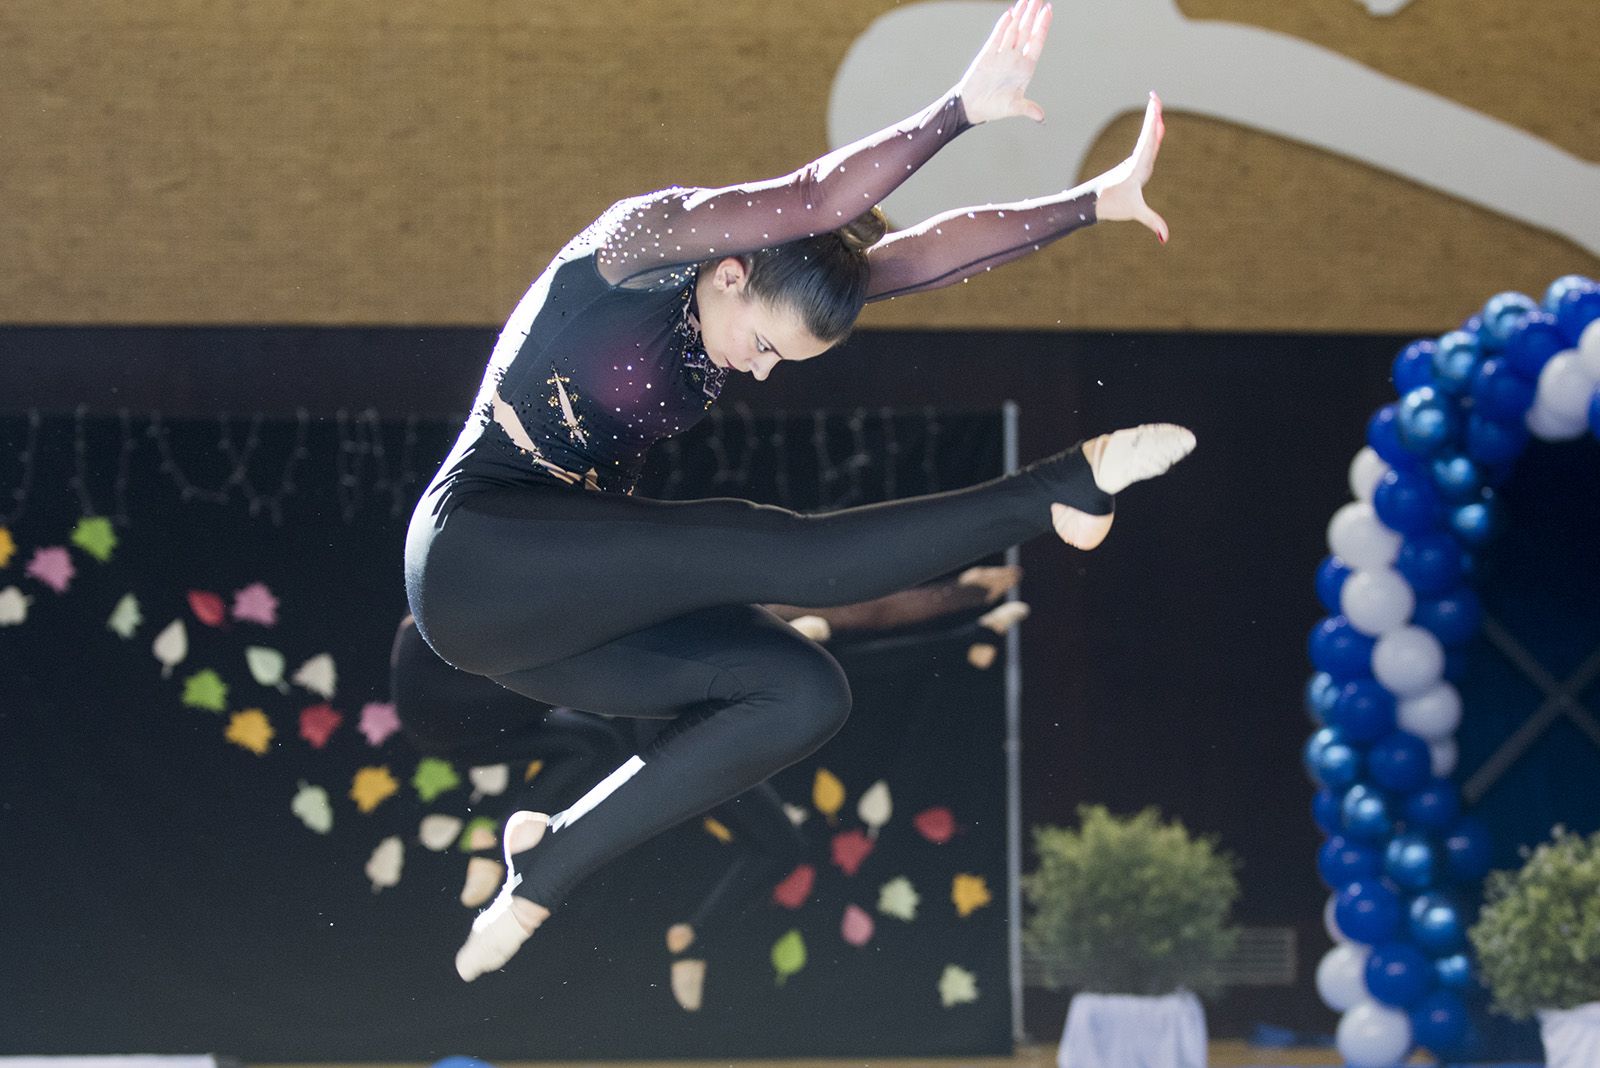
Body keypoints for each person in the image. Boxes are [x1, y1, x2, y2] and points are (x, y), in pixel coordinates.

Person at [403, 0, 1193, 982]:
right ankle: (1056, 490)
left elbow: (920, 256)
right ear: (730, 274)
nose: (762, 372)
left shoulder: (756, 288)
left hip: (552, 623)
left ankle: (548, 860)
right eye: (765, 346)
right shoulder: (636, 250)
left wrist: (1093, 204)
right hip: (477, 556)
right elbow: (814, 195)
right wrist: (956, 110)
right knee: (765, 545)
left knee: (801, 690)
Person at [391, 566, 1029, 1010]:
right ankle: (504, 847)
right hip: (469, 695)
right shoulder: (687, 630)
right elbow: (856, 629)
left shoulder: (737, 627)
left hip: (499, 710)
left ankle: (690, 939)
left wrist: (960, 597)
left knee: (777, 842)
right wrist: (961, 612)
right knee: (814, 658)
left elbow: (867, 613)